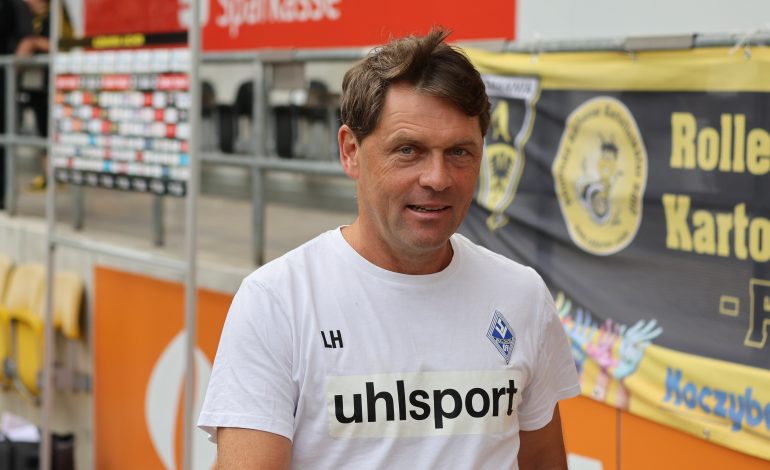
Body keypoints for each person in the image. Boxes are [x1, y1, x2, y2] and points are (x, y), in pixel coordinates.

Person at [198, 29, 580, 469]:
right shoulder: (278, 301)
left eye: (459, 152)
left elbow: (544, 461)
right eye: (408, 150)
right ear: (350, 151)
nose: (438, 178)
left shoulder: (521, 294)